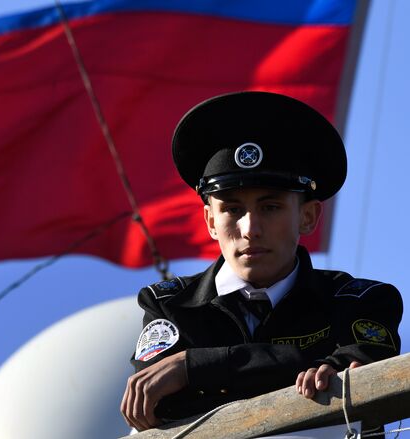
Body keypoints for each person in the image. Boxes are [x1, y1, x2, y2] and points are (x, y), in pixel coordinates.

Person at [120, 91, 403, 432]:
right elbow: (162, 404)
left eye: (270, 208)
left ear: (309, 217)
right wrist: (298, 367)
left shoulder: (362, 301)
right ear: (210, 221)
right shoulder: (169, 305)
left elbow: (369, 369)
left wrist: (193, 367)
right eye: (232, 209)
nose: (250, 229)